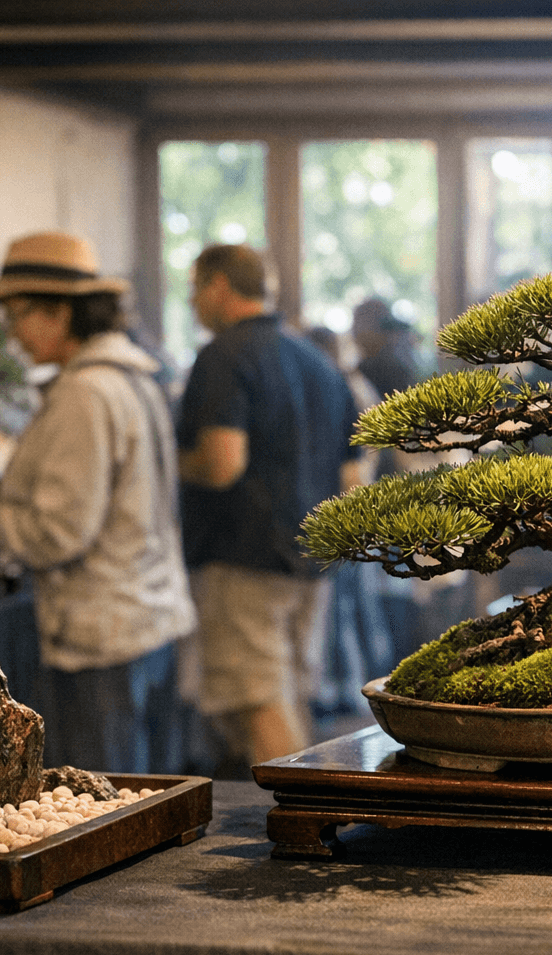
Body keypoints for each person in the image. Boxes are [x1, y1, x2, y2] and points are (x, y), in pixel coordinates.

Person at [0, 232, 195, 775]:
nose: (11, 335)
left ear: (59, 311)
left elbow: (59, 533)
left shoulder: (85, 393)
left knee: (108, 806)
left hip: (102, 634)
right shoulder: (133, 378)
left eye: (16, 314)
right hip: (151, 616)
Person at [176, 244, 365, 770]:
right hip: (314, 562)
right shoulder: (320, 363)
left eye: (194, 288)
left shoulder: (223, 356)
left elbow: (222, 465)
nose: (192, 302)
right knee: (289, 696)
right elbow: (352, 479)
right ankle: (314, 817)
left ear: (218, 285)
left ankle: (304, 824)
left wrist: (169, 461)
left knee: (256, 702)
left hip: (245, 558)